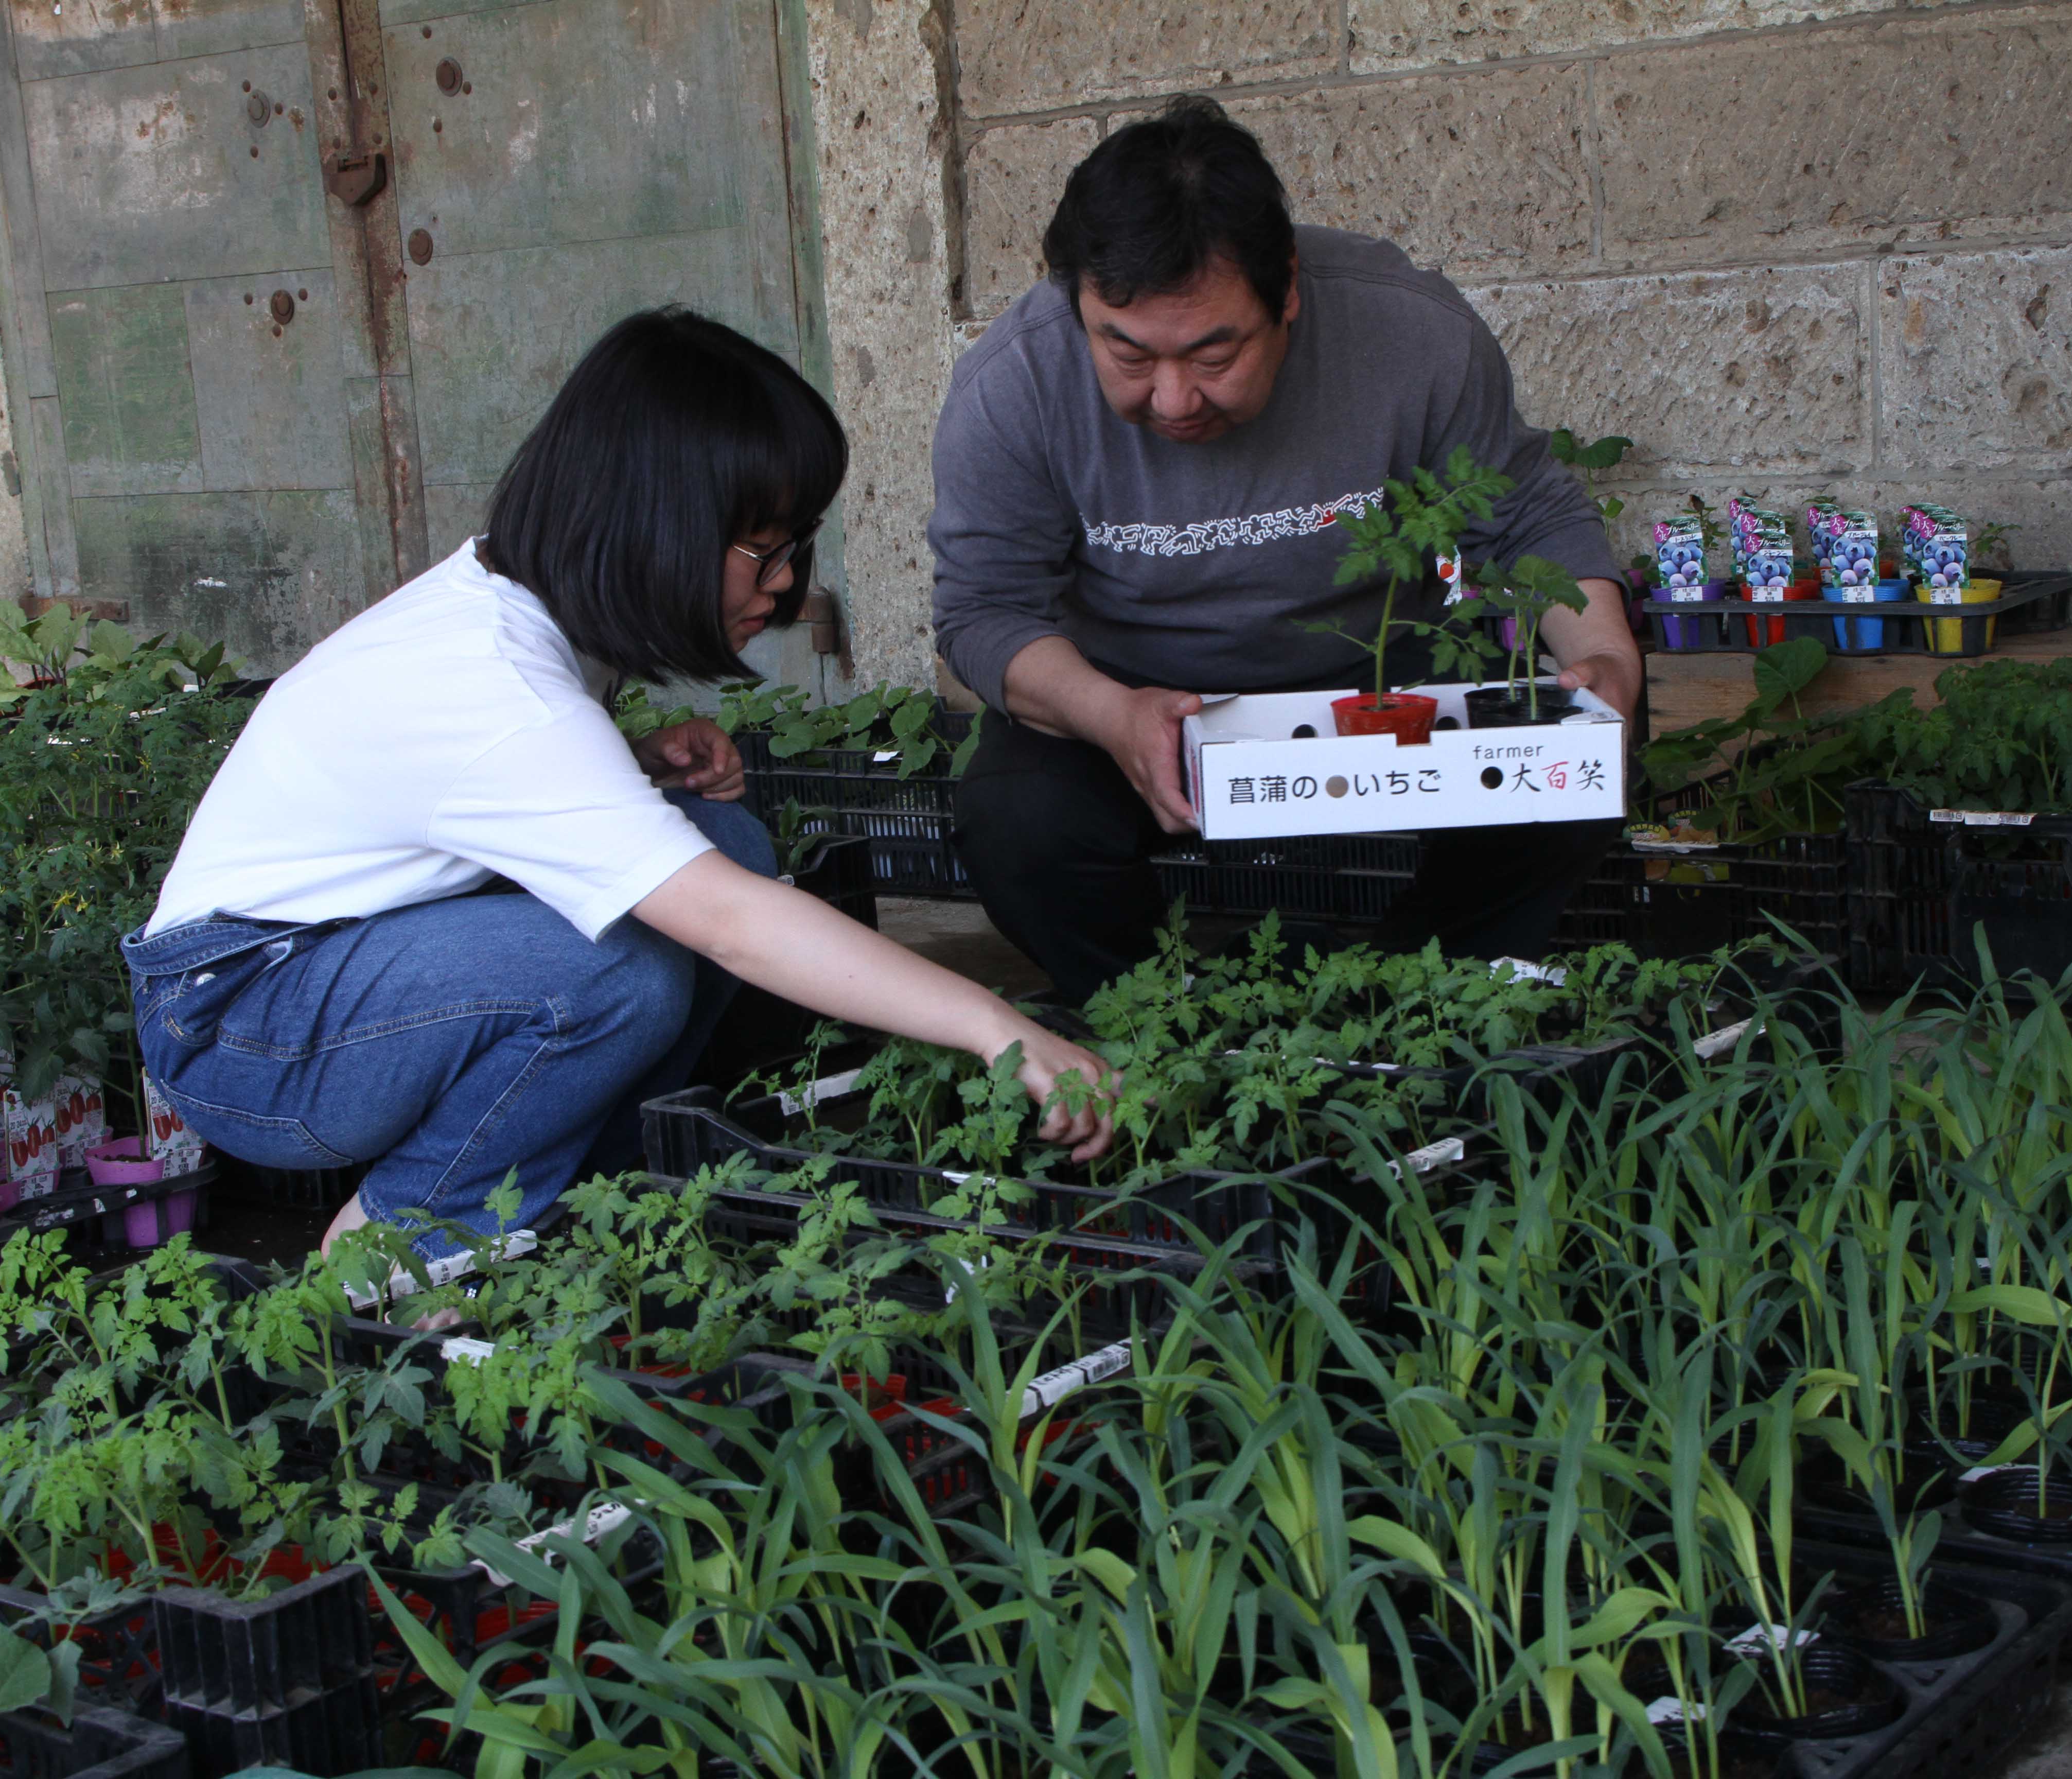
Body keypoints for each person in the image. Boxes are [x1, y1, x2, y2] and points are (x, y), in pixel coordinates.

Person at [125, 309, 1112, 1260]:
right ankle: (409, 1237)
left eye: (795, 546)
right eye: (763, 550)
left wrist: (628, 765)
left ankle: (571, 1189)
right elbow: (730, 924)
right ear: (658, 523)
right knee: (619, 971)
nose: (784, 584)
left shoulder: (522, 610)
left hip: (324, 974)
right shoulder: (494, 683)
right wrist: (997, 1028)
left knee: (727, 850)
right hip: (237, 1024)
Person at [930, 96, 1640, 1007]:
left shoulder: (1411, 333)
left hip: (1382, 680)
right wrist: (1112, 715)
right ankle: (1167, 1021)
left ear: (1288, 291)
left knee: (1581, 748)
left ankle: (1411, 997)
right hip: (1130, 692)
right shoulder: (1015, 382)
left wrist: (1608, 659)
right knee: (1014, 821)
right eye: (1129, 354)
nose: (1175, 399)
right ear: (1080, 303)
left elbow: (1529, 520)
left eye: (1213, 354)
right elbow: (984, 614)